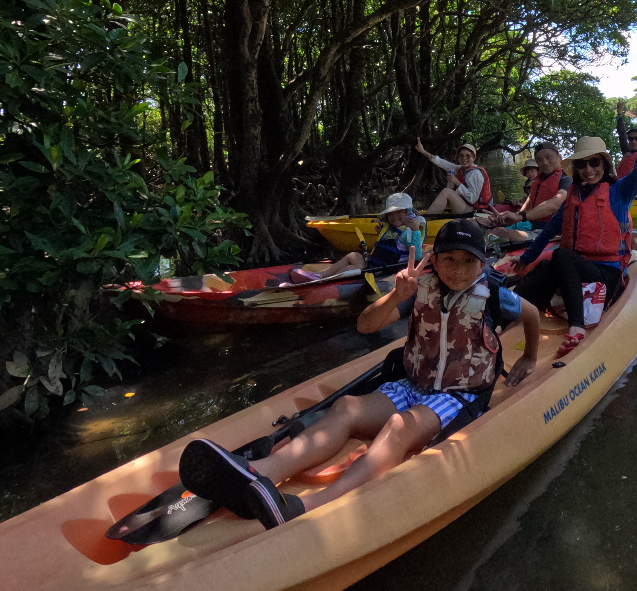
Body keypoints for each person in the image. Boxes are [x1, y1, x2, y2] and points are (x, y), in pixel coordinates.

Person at [176, 220, 541, 529]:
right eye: (449, 259)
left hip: (459, 394)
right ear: (434, 259)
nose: (458, 269)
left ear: (482, 264)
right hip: (414, 383)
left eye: (467, 261)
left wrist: (528, 358)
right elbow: (366, 326)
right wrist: (395, 296)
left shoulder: (493, 295)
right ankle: (259, 472)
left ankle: (307, 507)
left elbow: (532, 315)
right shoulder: (418, 291)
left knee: (400, 427)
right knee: (348, 407)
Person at [506, 115, 637, 358]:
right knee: (545, 268)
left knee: (560, 256)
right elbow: (549, 230)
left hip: (607, 275)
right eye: (582, 165)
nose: (588, 170)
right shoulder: (573, 196)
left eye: (594, 163)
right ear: (576, 169)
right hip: (576, 270)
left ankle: (577, 327)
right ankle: (504, 316)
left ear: (604, 165)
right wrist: (526, 259)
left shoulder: (620, 191)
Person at [324, 193, 426, 277]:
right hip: (373, 265)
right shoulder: (390, 230)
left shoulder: (408, 232)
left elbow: (416, 256)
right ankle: (321, 275)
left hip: (384, 270)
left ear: (408, 213)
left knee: (351, 268)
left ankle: (325, 282)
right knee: (353, 256)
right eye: (390, 213)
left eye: (399, 211)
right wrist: (381, 233)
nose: (394, 216)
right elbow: (386, 248)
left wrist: (415, 231)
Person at [496, 142, 569, 230]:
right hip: (532, 224)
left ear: (560, 157)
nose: (545, 163)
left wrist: (520, 216)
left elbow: (554, 204)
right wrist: (516, 216)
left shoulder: (567, 178)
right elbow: (529, 201)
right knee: (494, 228)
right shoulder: (539, 180)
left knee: (500, 232)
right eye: (539, 160)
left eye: (548, 157)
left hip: (552, 229)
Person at [415, 138, 492, 214]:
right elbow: (440, 162)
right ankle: (429, 214)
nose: (464, 158)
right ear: (458, 157)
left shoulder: (475, 173)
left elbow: (472, 199)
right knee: (448, 191)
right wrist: (423, 151)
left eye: (468, 156)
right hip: (466, 207)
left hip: (474, 211)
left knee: (447, 192)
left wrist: (456, 182)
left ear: (474, 158)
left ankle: (424, 219)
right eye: (461, 156)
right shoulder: (460, 169)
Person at [615, 101, 637, 198]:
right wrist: (619, 114)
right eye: (631, 139)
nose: (634, 141)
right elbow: (622, 134)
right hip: (623, 190)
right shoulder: (628, 152)